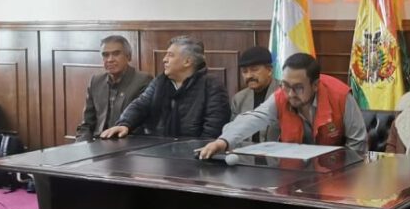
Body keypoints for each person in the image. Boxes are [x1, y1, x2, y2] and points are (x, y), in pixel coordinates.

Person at [33, 35, 151, 209]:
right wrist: (79, 148)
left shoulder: (143, 80)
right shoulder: (95, 81)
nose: (109, 59)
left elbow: (141, 122)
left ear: (128, 56)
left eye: (115, 54)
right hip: (93, 146)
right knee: (43, 171)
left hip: (125, 148)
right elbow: (86, 122)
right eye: (105, 55)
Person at [196, 52, 367, 157]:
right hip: (296, 170)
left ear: (315, 85)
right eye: (286, 85)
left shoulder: (340, 96)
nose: (290, 94)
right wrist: (223, 141)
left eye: (298, 87)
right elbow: (255, 118)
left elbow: (357, 142)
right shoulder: (281, 95)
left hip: (335, 172)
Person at [100, 36, 229, 139]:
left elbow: (212, 131)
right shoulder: (160, 82)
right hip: (158, 150)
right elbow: (141, 105)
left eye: (170, 55)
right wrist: (125, 124)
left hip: (193, 155)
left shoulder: (212, 86)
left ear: (187, 62)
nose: (164, 60)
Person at [231, 46, 279, 141]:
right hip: (245, 153)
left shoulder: (284, 93)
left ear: (269, 70)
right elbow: (233, 134)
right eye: (245, 71)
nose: (249, 76)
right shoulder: (239, 99)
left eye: (254, 70)